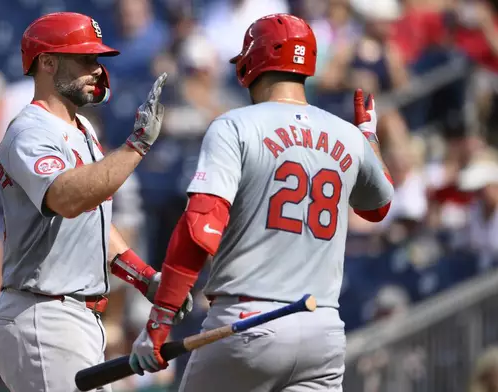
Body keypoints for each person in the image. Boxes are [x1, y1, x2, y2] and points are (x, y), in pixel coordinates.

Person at [128, 13, 395, 391]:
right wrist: (369, 137)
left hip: (247, 321)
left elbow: (200, 228)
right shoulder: (349, 135)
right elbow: (377, 206)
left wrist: (159, 321)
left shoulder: (234, 124)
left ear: (252, 64)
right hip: (322, 329)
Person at [0, 12, 192, 392]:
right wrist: (137, 146)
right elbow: (65, 198)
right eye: (84, 59)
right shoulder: (28, 131)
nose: (96, 70)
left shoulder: (85, 130)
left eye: (96, 59)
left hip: (73, 315)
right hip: (42, 312)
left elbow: (91, 221)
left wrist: (145, 278)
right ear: (47, 62)